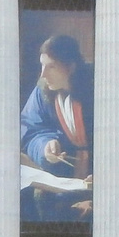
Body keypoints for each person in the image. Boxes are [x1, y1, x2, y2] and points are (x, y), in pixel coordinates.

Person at [21, 33, 95, 220]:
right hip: (61, 180)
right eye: (42, 66)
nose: (43, 74)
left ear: (70, 67)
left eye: (51, 66)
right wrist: (46, 146)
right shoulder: (43, 90)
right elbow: (30, 129)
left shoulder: (98, 87)